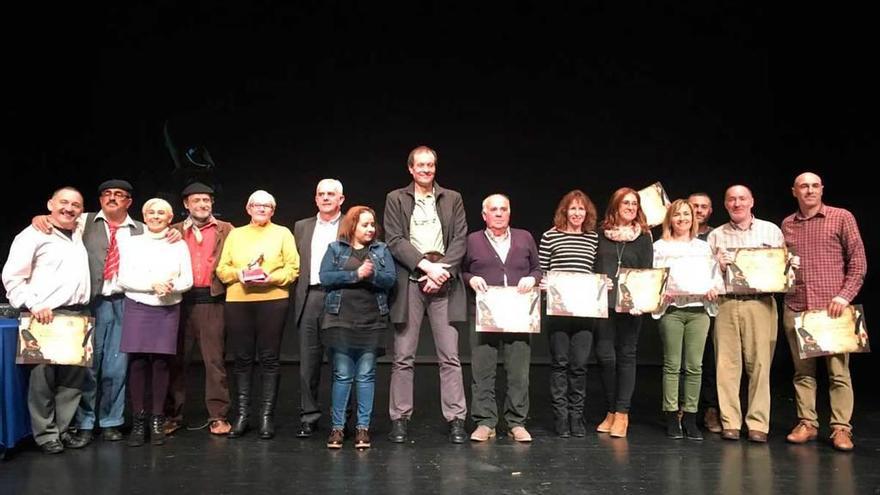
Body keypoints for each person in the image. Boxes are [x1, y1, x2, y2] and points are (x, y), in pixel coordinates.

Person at [384, 145, 469, 444]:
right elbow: (394, 239)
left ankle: (456, 417)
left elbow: (460, 239)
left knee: (450, 355)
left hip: (444, 279)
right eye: (420, 165)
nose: (425, 170)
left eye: (430, 165)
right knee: (403, 355)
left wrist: (441, 270)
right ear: (410, 168)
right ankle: (400, 418)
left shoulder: (452, 198)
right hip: (410, 278)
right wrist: (425, 268)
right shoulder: (396, 198)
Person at [781, 172, 866, 451]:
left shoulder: (841, 217)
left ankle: (841, 428)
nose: (809, 190)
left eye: (815, 185)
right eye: (803, 186)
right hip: (798, 307)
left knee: (838, 373)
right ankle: (807, 422)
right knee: (803, 373)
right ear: (794, 191)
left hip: (833, 310)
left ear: (822, 189)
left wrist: (844, 296)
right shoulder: (787, 224)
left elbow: (858, 262)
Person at [2, 187, 91, 454]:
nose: (69, 208)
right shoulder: (33, 234)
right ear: (50, 203)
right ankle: (45, 434)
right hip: (44, 315)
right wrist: (33, 303)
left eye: (76, 204)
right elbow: (12, 278)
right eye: (63, 202)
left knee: (72, 381)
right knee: (42, 381)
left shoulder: (79, 232)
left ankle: (62, 431)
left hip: (78, 315)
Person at [216, 190, 299, 439]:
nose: (261, 209)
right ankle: (242, 415)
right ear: (248, 208)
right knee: (241, 358)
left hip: (273, 300)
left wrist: (271, 278)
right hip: (239, 300)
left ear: (273, 211)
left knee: (269, 358)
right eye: (257, 205)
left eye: (267, 206)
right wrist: (240, 274)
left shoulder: (282, 233)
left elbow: (293, 268)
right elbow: (222, 268)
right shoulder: (236, 234)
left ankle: (265, 417)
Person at [707, 185, 785, 443]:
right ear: (726, 204)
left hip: (760, 303)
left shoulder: (770, 231)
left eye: (742, 198)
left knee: (760, 364)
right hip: (727, 303)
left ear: (752, 201)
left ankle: (758, 423)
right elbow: (708, 275)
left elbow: (782, 269)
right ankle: (730, 421)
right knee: (727, 366)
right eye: (731, 199)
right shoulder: (716, 236)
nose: (737, 203)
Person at [462, 194, 541, 443]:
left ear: (509, 212)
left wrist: (533, 278)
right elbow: (461, 270)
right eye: (493, 209)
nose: (499, 213)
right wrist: (470, 279)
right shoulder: (472, 240)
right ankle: (485, 422)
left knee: (518, 372)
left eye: (503, 209)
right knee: (482, 371)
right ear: (484, 215)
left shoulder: (524, 237)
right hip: (485, 313)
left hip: (518, 314)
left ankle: (516, 422)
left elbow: (537, 268)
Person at [117, 198, 193, 446]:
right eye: (151, 212)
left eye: (162, 213)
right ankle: (139, 420)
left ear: (170, 218)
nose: (156, 216)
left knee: (162, 363)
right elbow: (124, 277)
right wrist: (153, 285)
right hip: (138, 305)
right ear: (144, 215)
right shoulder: (131, 242)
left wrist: (170, 288)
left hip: (167, 307)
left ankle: (157, 419)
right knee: (138, 362)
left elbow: (187, 280)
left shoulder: (178, 244)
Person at [319, 206, 396, 449]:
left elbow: (389, 279)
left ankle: (363, 428)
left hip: (372, 321)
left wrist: (370, 276)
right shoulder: (336, 249)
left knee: (366, 375)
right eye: (365, 225)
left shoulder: (381, 250)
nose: (371, 229)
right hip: (340, 319)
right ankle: (338, 428)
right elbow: (325, 277)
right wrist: (355, 274)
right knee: (342, 375)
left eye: (373, 225)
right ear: (352, 226)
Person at [164, 182, 234, 436]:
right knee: (176, 360)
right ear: (186, 204)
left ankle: (218, 415)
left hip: (212, 301)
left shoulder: (226, 230)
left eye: (206, 200)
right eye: (196, 201)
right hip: (179, 302)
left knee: (214, 361)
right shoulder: (172, 231)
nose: (202, 205)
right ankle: (173, 414)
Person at [652, 199, 722, 441]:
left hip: (699, 311)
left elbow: (715, 278)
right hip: (672, 311)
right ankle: (672, 415)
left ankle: (690, 416)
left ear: (694, 219)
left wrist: (714, 289)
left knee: (694, 366)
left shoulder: (703, 248)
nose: (682, 218)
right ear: (669, 218)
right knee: (672, 365)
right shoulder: (659, 247)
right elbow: (652, 279)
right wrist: (659, 291)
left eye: (687, 214)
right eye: (677, 214)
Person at [538, 189, 599, 438]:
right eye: (572, 208)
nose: (577, 213)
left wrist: (601, 284)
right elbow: (541, 270)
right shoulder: (550, 237)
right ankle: (561, 417)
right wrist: (542, 284)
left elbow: (596, 270)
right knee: (560, 364)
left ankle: (577, 416)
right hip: (558, 311)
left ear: (587, 213)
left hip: (585, 311)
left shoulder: (593, 238)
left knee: (580, 365)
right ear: (565, 211)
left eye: (581, 209)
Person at [594, 187, 653, 438]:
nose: (630, 207)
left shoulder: (644, 237)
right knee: (605, 356)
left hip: (632, 306)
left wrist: (643, 300)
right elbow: (592, 266)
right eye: (625, 203)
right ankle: (610, 409)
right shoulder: (599, 234)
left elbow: (647, 272)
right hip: (603, 304)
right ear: (615, 206)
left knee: (627, 355)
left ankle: (622, 413)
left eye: (634, 203)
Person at [292, 179, 344, 437]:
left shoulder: (350, 224)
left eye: (331, 194)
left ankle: (340, 419)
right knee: (309, 363)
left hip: (340, 297)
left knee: (340, 362)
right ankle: (309, 416)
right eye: (321, 194)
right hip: (311, 296)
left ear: (341, 199)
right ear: (315, 199)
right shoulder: (302, 227)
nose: (325, 198)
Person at [688, 192, 721, 433]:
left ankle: (711, 409)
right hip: (682, 306)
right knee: (683, 361)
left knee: (710, 358)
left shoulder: (718, 236)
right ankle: (683, 408)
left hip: (711, 306)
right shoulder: (673, 236)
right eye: (694, 206)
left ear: (710, 211)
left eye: (704, 207)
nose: (699, 210)